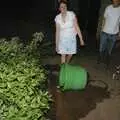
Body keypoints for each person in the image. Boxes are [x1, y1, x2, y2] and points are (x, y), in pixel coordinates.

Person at [97, 0, 120, 68]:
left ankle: (107, 61)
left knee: (110, 50)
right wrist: (101, 30)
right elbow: (104, 19)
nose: (115, 1)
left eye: (117, 0)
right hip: (105, 32)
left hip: (114, 34)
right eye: (114, 0)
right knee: (101, 48)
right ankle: (100, 59)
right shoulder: (108, 8)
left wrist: (119, 34)